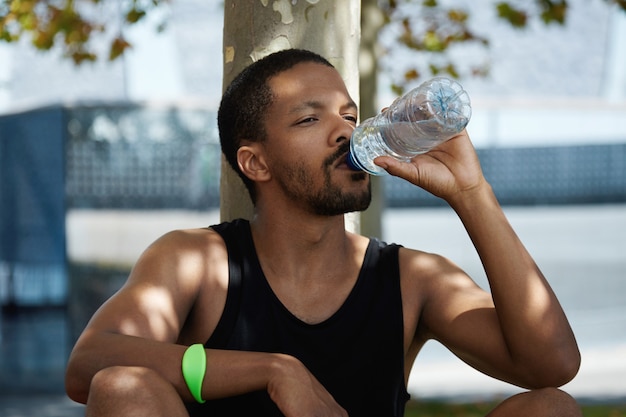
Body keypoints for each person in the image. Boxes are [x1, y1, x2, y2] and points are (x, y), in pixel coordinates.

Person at [65, 48, 582, 417]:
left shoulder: (412, 278)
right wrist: (276, 371)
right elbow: (90, 363)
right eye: (309, 119)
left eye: (350, 115)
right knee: (123, 388)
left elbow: (551, 366)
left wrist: (471, 193)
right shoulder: (197, 261)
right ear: (256, 162)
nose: (345, 130)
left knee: (551, 409)